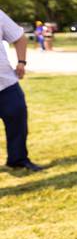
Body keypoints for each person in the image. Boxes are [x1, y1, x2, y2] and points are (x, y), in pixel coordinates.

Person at [0, 9, 42, 171]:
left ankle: (18, 159)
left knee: (17, 119)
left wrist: (21, 62)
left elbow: (19, 37)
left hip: (6, 82)